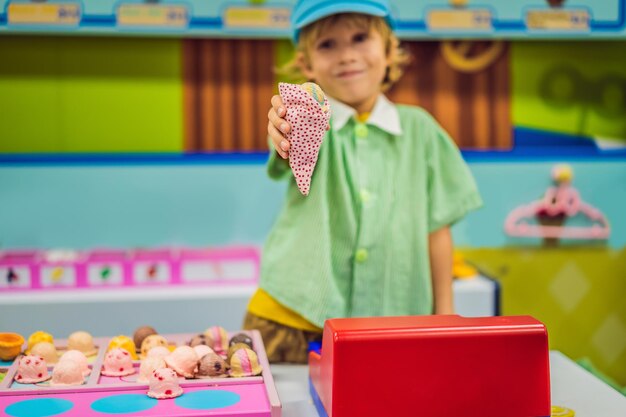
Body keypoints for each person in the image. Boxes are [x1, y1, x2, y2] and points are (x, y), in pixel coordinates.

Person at [243, 0, 483, 363]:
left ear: (389, 51)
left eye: (359, 38)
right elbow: (287, 147)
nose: (346, 55)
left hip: (394, 323)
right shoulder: (309, 120)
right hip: (292, 319)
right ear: (306, 63)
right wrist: (283, 128)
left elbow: (438, 231)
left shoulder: (421, 131)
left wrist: (444, 317)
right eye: (327, 44)